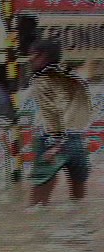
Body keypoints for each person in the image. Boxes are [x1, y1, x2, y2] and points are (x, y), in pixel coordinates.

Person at [28, 39, 94, 206]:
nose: (30, 59)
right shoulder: (75, 80)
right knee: (79, 202)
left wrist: (55, 144)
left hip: (52, 141)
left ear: (42, 57)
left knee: (38, 205)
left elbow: (50, 111)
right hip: (78, 141)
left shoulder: (42, 79)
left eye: (32, 55)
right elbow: (86, 111)